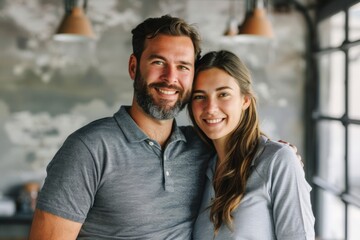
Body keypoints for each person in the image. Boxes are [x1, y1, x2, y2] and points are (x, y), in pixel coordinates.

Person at [29, 15, 214, 239]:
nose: (170, 78)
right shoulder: (88, 149)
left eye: (183, 66)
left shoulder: (203, 145)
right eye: (158, 62)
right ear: (134, 67)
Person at [189, 50, 315, 239]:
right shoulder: (203, 165)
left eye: (223, 94)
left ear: (245, 100)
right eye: (199, 96)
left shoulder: (277, 160)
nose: (210, 108)